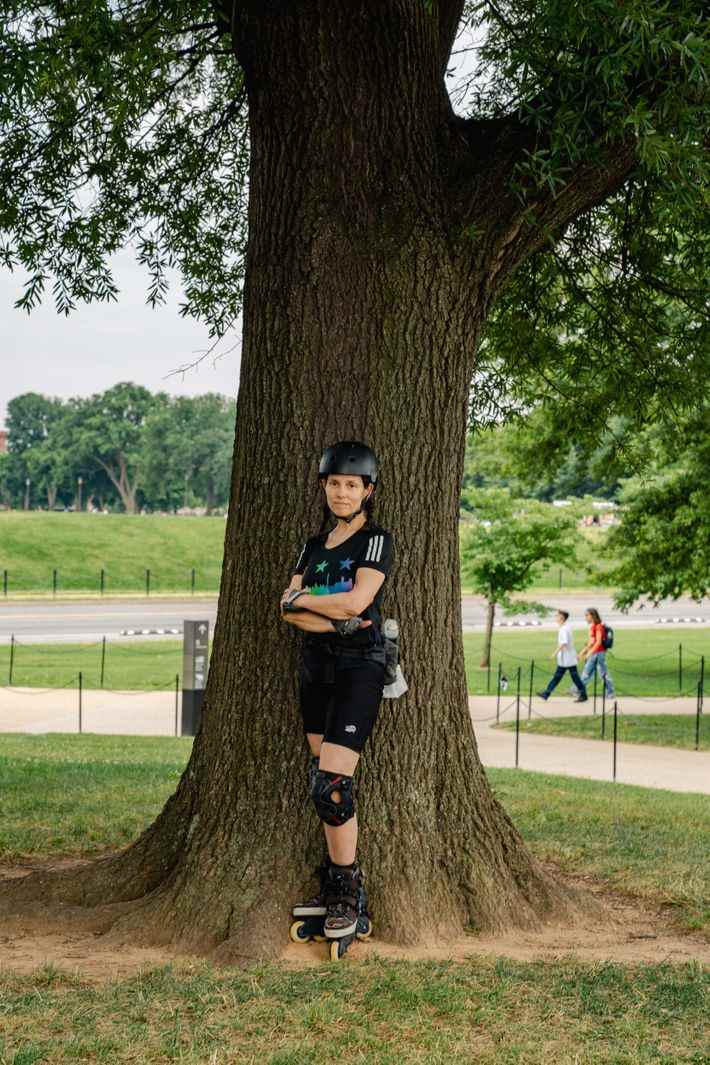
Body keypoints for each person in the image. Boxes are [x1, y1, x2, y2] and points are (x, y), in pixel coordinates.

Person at [279, 441, 394, 955]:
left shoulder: (375, 541)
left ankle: (347, 888)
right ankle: (333, 879)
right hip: (316, 667)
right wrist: (332, 614)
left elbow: (359, 600)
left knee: (332, 786)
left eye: (352, 485)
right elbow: (288, 610)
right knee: (318, 781)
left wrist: (312, 603)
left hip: (359, 667)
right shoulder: (312, 545)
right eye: (334, 483)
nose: (342, 492)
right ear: (323, 487)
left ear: (368, 490)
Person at [537, 609, 587, 702]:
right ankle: (546, 693)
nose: (555, 617)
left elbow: (564, 643)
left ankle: (546, 693)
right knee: (562, 677)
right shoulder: (565, 627)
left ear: (562, 618)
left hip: (567, 659)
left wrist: (554, 654)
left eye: (557, 616)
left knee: (572, 678)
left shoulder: (564, 629)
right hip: (567, 659)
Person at [579, 607, 615, 697]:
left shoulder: (598, 627)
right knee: (595, 672)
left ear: (592, 615)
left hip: (598, 653)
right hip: (596, 653)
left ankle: (578, 689)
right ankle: (610, 692)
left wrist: (589, 653)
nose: (586, 617)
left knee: (590, 672)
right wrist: (583, 652)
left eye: (587, 615)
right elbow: (591, 642)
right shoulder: (593, 626)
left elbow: (598, 642)